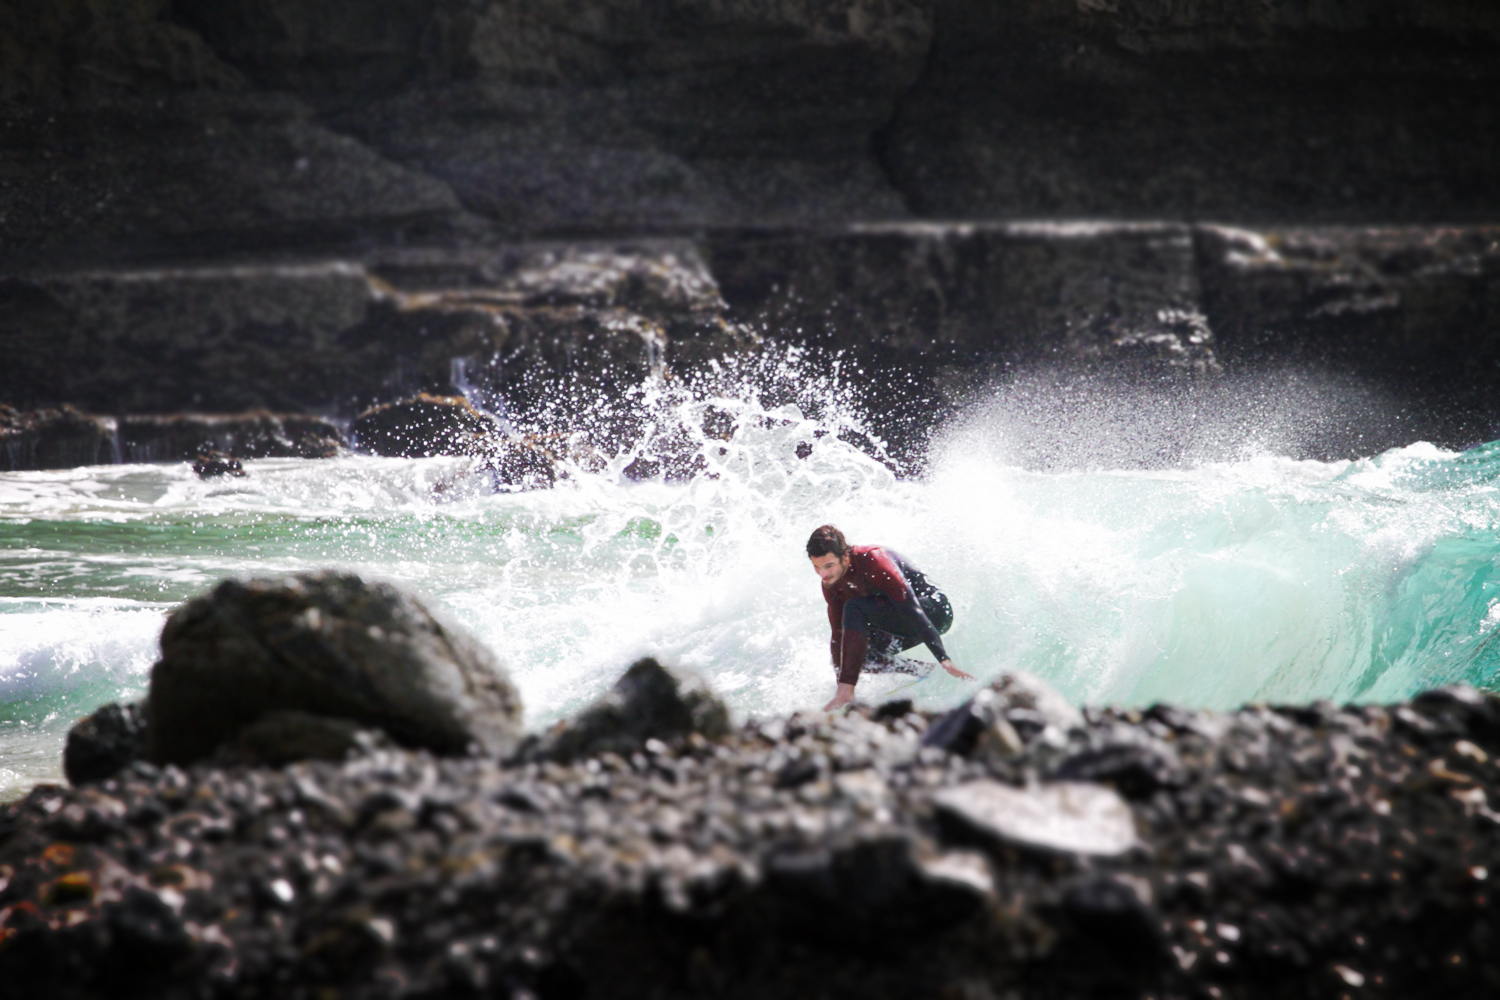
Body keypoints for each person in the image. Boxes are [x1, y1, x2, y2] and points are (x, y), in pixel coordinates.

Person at [807, 524, 973, 711]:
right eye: (817, 567)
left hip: (933, 612)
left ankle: (941, 666)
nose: (823, 574)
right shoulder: (831, 583)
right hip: (900, 620)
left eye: (829, 566)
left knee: (853, 607)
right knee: (853, 653)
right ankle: (924, 671)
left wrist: (944, 659)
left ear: (845, 556)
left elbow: (911, 608)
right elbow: (838, 635)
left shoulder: (873, 558)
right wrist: (841, 685)